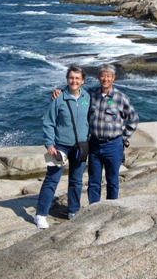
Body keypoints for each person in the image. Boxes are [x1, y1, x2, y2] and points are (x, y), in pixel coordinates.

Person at [34, 65, 90, 229]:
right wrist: (49, 144)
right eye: (71, 78)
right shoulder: (58, 98)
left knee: (76, 180)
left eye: (77, 78)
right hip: (60, 147)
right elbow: (48, 122)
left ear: (83, 81)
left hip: (80, 146)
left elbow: (104, 100)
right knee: (52, 180)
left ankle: (73, 210)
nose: (74, 81)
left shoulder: (87, 96)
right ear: (67, 79)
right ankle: (40, 214)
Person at [87, 64, 138, 203]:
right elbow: (75, 96)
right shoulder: (90, 94)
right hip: (94, 145)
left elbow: (133, 119)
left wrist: (124, 136)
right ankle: (93, 210)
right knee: (93, 182)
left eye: (108, 76)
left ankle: (110, 208)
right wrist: (60, 92)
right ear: (98, 77)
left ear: (113, 78)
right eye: (103, 75)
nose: (105, 79)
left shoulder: (121, 98)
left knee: (112, 181)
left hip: (113, 145)